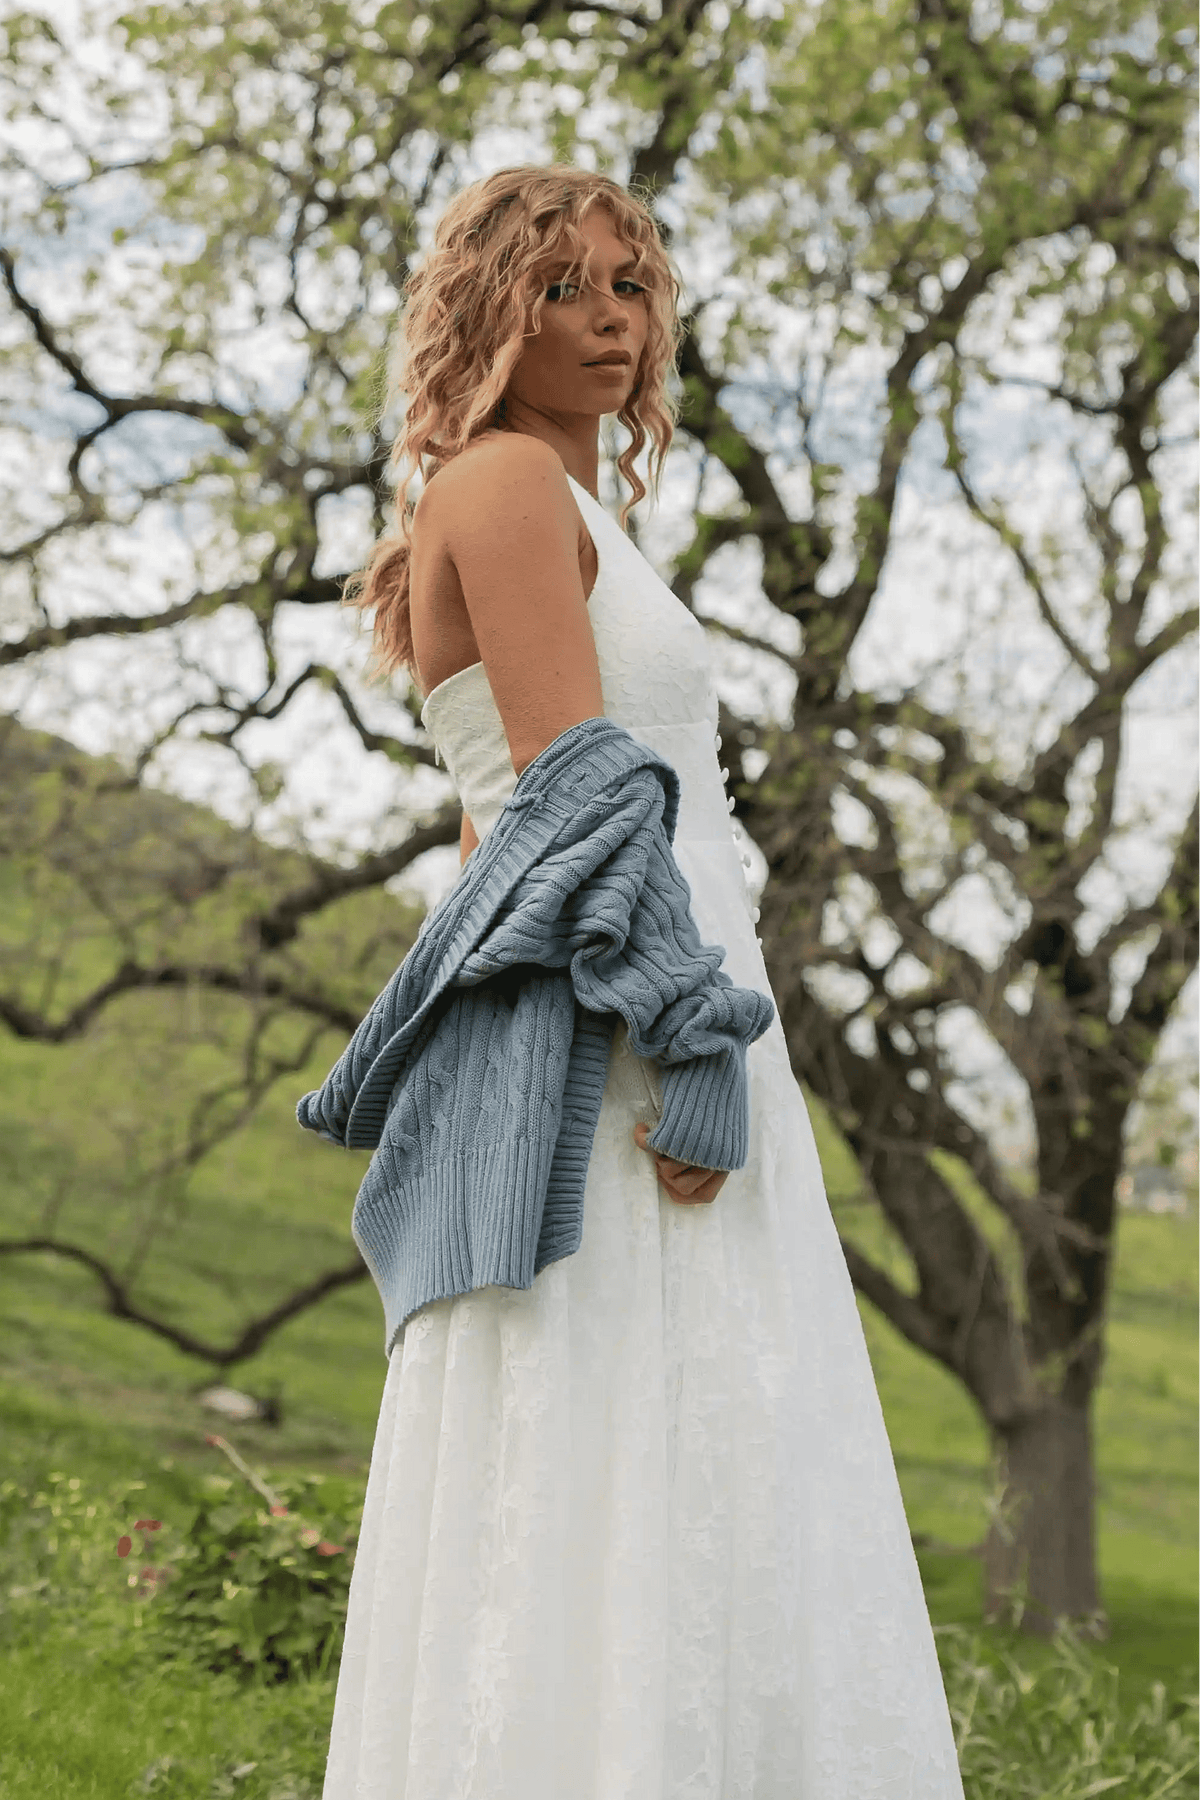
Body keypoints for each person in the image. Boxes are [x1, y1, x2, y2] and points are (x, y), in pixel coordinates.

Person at [322, 163, 965, 1799]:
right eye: (558, 289)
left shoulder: (569, 497)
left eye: (626, 284)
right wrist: (687, 1038)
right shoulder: (504, 487)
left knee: (716, 1439)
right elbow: (570, 795)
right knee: (608, 1425)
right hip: (627, 1025)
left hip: (679, 986)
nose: (606, 319)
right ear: (483, 308)